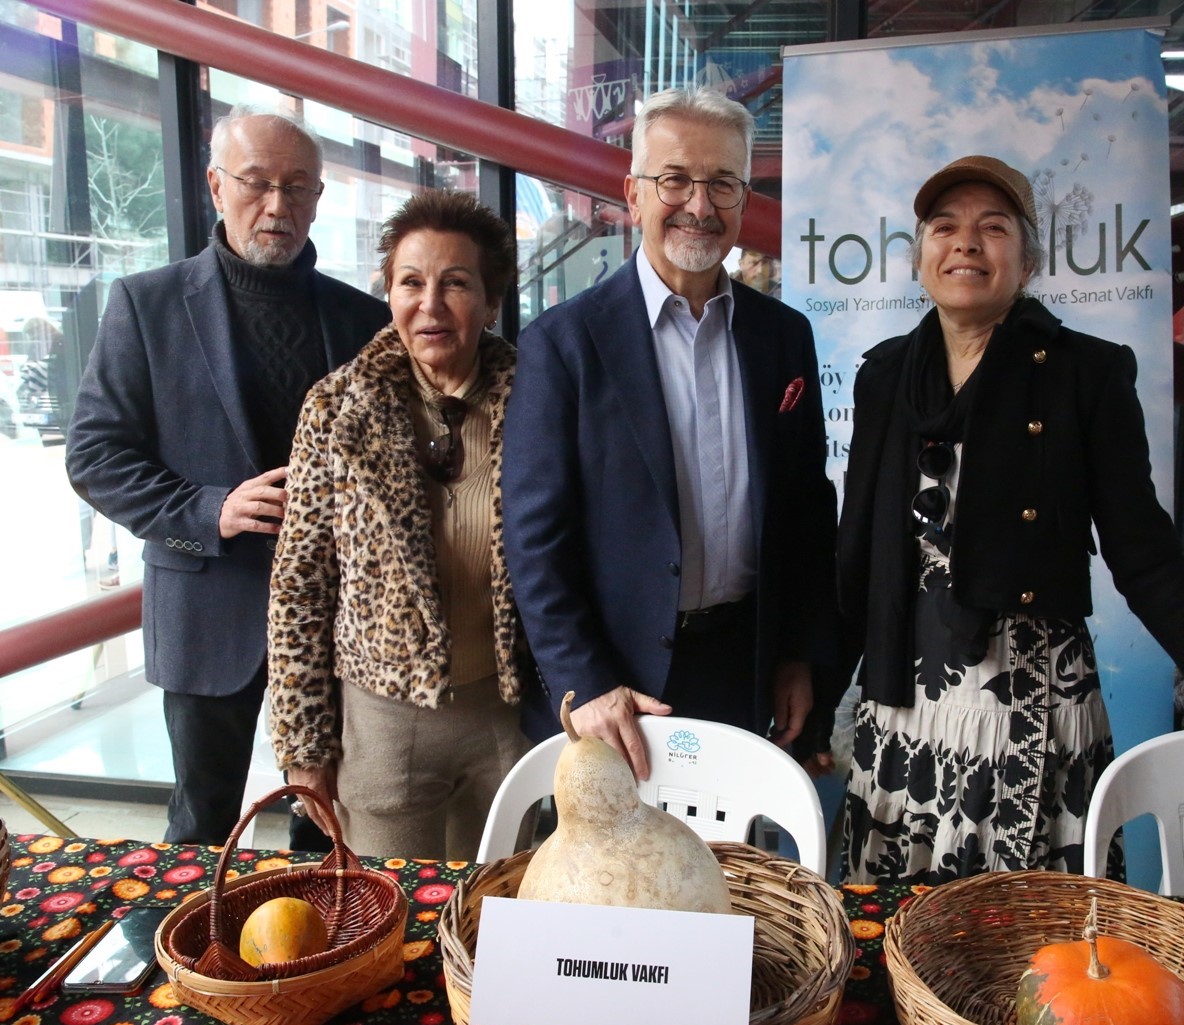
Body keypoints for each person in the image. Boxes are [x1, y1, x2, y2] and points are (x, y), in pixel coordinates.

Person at [835, 154, 1184, 885]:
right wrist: (816, 689)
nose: (966, 242)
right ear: (919, 260)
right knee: (900, 944)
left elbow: (1146, 559)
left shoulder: (1087, 375)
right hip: (904, 710)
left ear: (1029, 261)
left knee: (1027, 947)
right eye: (945, 227)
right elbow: (857, 551)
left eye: (993, 228)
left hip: (1030, 712)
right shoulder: (884, 375)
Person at [65, 106, 390, 847]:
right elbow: (94, 454)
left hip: (340, 622)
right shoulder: (146, 305)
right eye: (256, 183)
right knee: (201, 821)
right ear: (216, 186)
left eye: (298, 187)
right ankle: (189, 962)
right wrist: (210, 507)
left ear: (317, 198)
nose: (277, 205)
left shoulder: (364, 319)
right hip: (209, 607)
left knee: (329, 821)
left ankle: (327, 952)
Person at [503, 86, 837, 779]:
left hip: (742, 672)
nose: (700, 205)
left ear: (744, 200)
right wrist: (584, 681)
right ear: (633, 195)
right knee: (609, 884)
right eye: (676, 179)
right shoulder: (562, 344)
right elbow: (534, 538)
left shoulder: (784, 337)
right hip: (612, 683)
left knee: (729, 877)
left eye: (722, 183)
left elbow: (807, 508)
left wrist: (798, 654)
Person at [267, 189, 530, 861]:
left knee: (498, 915)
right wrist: (305, 747)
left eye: (457, 283)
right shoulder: (335, 409)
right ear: (388, 292)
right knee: (390, 915)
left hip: (506, 711)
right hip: (384, 722)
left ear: (492, 301)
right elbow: (300, 586)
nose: (431, 304)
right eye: (411, 282)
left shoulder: (541, 404)